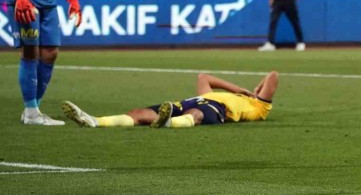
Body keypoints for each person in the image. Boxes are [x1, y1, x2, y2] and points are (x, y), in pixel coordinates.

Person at [63, 71, 278, 128]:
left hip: (217, 108)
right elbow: (204, 77)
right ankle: (94, 120)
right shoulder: (215, 93)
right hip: (195, 99)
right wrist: (240, 88)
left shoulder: (259, 108)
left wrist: (255, 91)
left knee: (196, 116)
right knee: (139, 113)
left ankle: (169, 122)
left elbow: (273, 75)